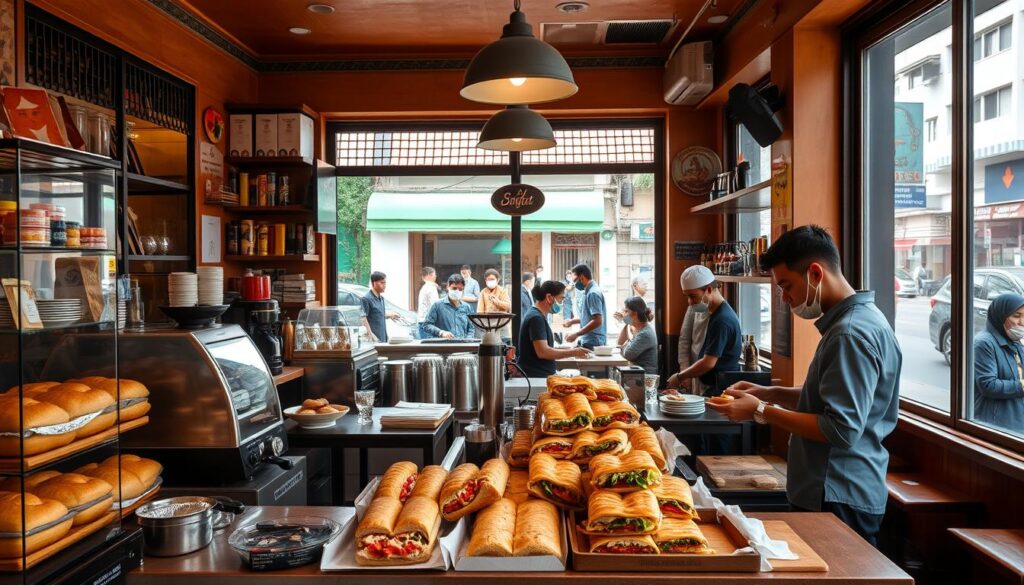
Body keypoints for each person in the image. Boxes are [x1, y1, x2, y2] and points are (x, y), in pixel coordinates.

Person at [707, 225, 901, 546]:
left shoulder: (850, 334)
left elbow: (841, 428)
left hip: (836, 492)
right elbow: (831, 400)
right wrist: (770, 393)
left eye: (786, 285)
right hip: (839, 487)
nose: (784, 298)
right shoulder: (861, 321)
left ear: (814, 273)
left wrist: (760, 410)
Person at [665, 265, 741, 395]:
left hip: (720, 388)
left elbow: (708, 363)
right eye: (687, 296)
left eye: (693, 296)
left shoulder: (722, 320)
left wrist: (679, 377)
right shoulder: (715, 313)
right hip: (710, 384)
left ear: (709, 289)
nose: (690, 302)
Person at [972, 292, 1024, 431]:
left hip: (1016, 418)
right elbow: (988, 385)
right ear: (1000, 316)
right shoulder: (984, 343)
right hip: (997, 425)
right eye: (1016, 316)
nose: (1022, 322)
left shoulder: (1014, 341)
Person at [518, 280, 591, 377]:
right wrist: (574, 352)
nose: (561, 303)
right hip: (537, 376)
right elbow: (543, 352)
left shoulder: (537, 315)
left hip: (541, 374)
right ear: (549, 297)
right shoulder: (536, 318)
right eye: (561, 299)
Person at [563, 263, 607, 350]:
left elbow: (597, 320)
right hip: (589, 339)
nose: (574, 284)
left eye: (575, 281)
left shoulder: (593, 293)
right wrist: (572, 321)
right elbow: (588, 317)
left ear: (582, 277)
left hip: (593, 341)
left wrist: (576, 334)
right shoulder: (587, 292)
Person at [422, 274, 475, 339]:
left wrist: (468, 340)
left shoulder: (467, 307)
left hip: (462, 346)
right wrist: (441, 332)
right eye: (454, 288)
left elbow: (471, 328)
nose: (457, 291)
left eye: (460, 289)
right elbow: (427, 325)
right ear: (448, 286)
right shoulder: (437, 305)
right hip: (444, 346)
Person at [617, 296, 658, 375]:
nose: (624, 315)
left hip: (644, 376)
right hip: (636, 373)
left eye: (626, 311)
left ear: (635, 313)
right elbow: (619, 343)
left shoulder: (645, 334)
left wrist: (623, 346)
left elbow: (627, 354)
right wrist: (626, 323)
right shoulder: (638, 328)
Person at [360, 271, 398, 342]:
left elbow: (377, 314)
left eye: (385, 283)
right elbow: (363, 318)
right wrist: (371, 334)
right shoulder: (366, 299)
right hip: (374, 340)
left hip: (383, 338)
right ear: (374, 283)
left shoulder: (381, 298)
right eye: (382, 283)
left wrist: (390, 316)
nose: (384, 285)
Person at [417, 266, 440, 339]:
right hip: (428, 323)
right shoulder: (431, 287)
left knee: (426, 348)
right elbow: (435, 305)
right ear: (429, 275)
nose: (435, 276)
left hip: (423, 321)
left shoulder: (426, 287)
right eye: (434, 274)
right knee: (430, 348)